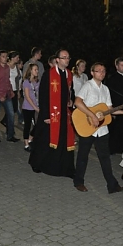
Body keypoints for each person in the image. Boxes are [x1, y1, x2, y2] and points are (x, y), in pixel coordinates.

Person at [73, 61, 123, 193]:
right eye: (98, 71)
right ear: (92, 73)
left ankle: (112, 185)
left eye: (103, 71)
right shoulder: (87, 86)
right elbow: (77, 102)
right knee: (83, 156)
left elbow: (109, 109)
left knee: (105, 158)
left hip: (102, 129)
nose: (102, 73)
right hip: (87, 126)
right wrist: (92, 115)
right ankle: (78, 181)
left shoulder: (105, 89)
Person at [29, 49, 76, 178]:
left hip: (64, 113)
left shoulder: (69, 74)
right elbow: (43, 95)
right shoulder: (49, 75)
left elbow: (70, 91)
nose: (67, 60)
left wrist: (71, 100)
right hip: (51, 113)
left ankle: (64, 168)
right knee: (45, 140)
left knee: (64, 140)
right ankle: (37, 163)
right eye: (64, 57)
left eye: (68, 57)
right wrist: (46, 115)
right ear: (57, 60)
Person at [106, 57, 123, 155]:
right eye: (122, 65)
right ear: (117, 66)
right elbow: (109, 95)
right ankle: (112, 149)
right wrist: (112, 109)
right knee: (115, 129)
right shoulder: (112, 79)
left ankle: (122, 149)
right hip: (116, 107)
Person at [0, 49, 18, 143]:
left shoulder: (7, 68)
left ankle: (10, 135)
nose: (5, 58)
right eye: (3, 56)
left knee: (11, 114)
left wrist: (11, 90)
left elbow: (7, 80)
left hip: (6, 94)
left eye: (6, 56)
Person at [21, 63, 40, 152]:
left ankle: (30, 137)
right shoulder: (26, 82)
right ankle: (26, 144)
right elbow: (27, 96)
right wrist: (35, 107)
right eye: (35, 69)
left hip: (36, 105)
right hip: (28, 107)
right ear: (30, 71)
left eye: (37, 69)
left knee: (38, 124)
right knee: (27, 125)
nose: (37, 71)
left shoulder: (37, 81)